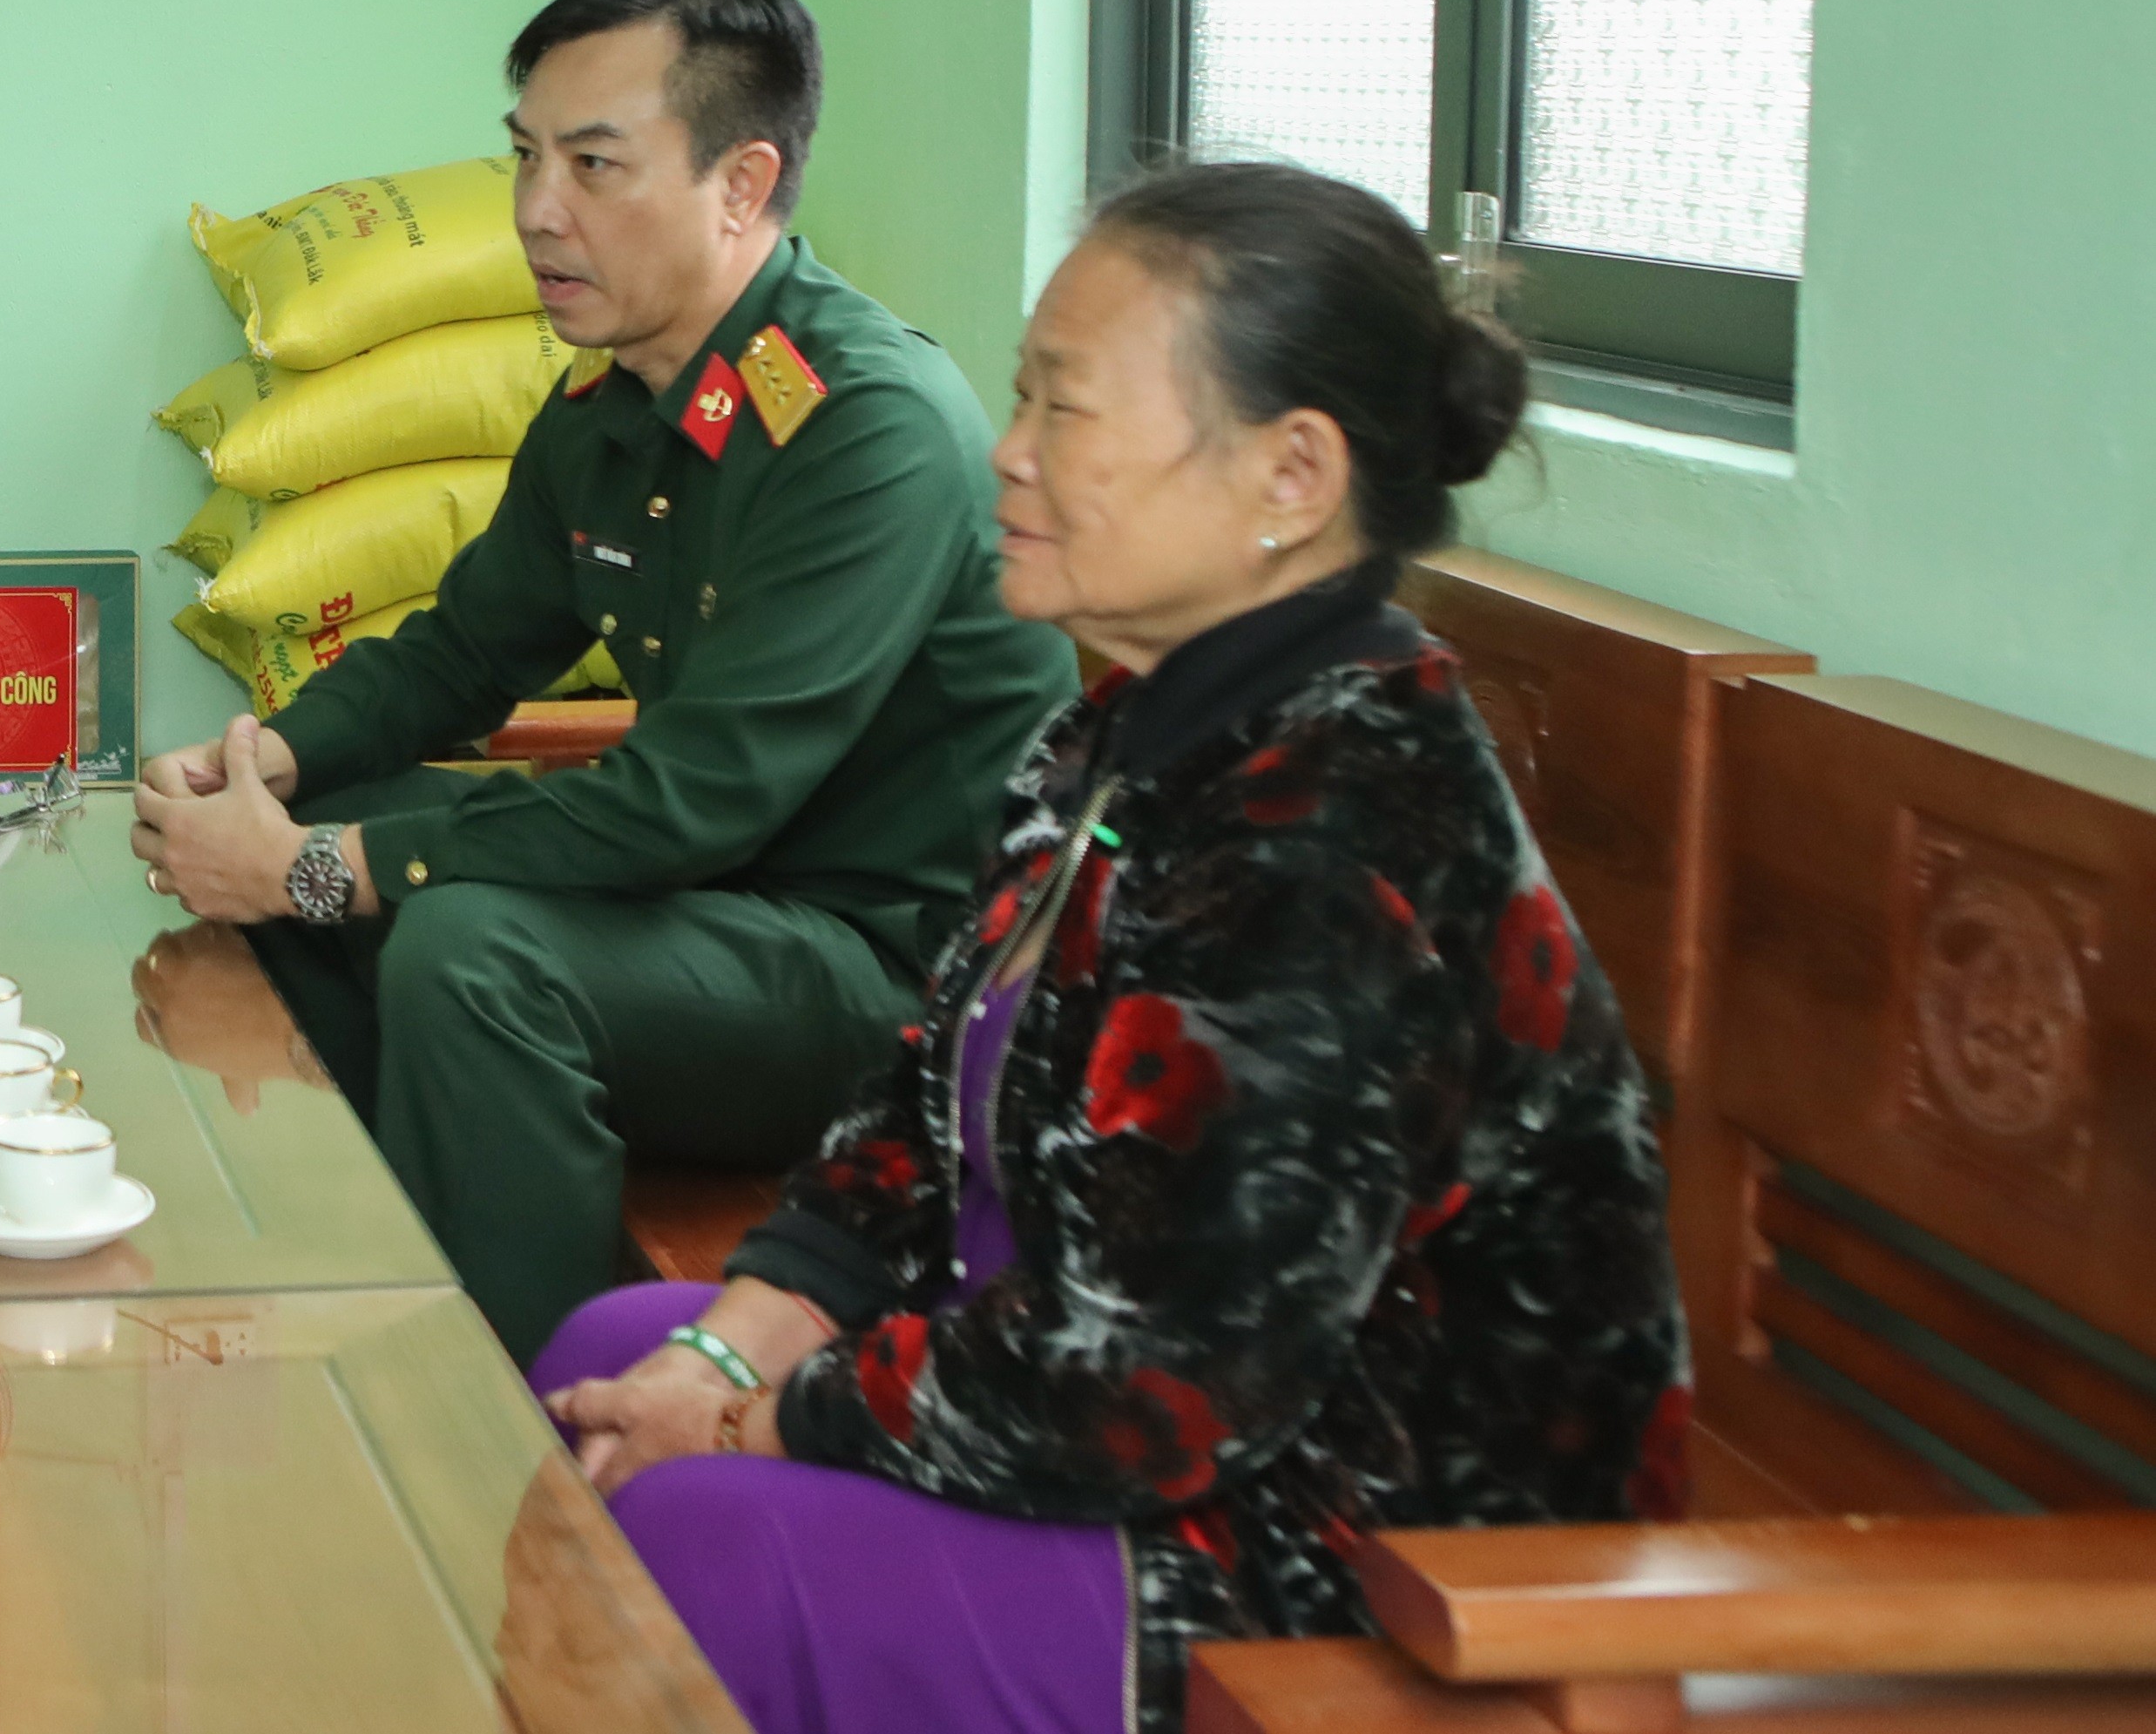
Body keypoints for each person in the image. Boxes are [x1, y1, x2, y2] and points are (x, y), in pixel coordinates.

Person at [530, 162, 1687, 1734]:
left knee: (694, 1528)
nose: (1008, 452)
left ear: (1292, 473)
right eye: (1023, 395)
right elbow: (918, 1105)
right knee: (617, 1351)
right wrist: (740, 1347)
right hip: (1117, 1402)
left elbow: (1146, 1381)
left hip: (1347, 1561)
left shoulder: (1340, 837)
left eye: (1065, 408)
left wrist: (752, 1424)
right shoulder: (1133, 734)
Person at [132, 0, 1074, 1361]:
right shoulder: (612, 396)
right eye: (525, 155)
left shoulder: (863, 425)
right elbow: (463, 651)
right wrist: (262, 763)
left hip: (892, 978)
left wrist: (314, 865)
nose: (535, 209)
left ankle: (514, 1411)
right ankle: (377, 1276)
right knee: (344, 812)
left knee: (468, 949)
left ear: (742, 184)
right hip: (719, 912)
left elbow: (688, 804)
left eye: (592, 164)